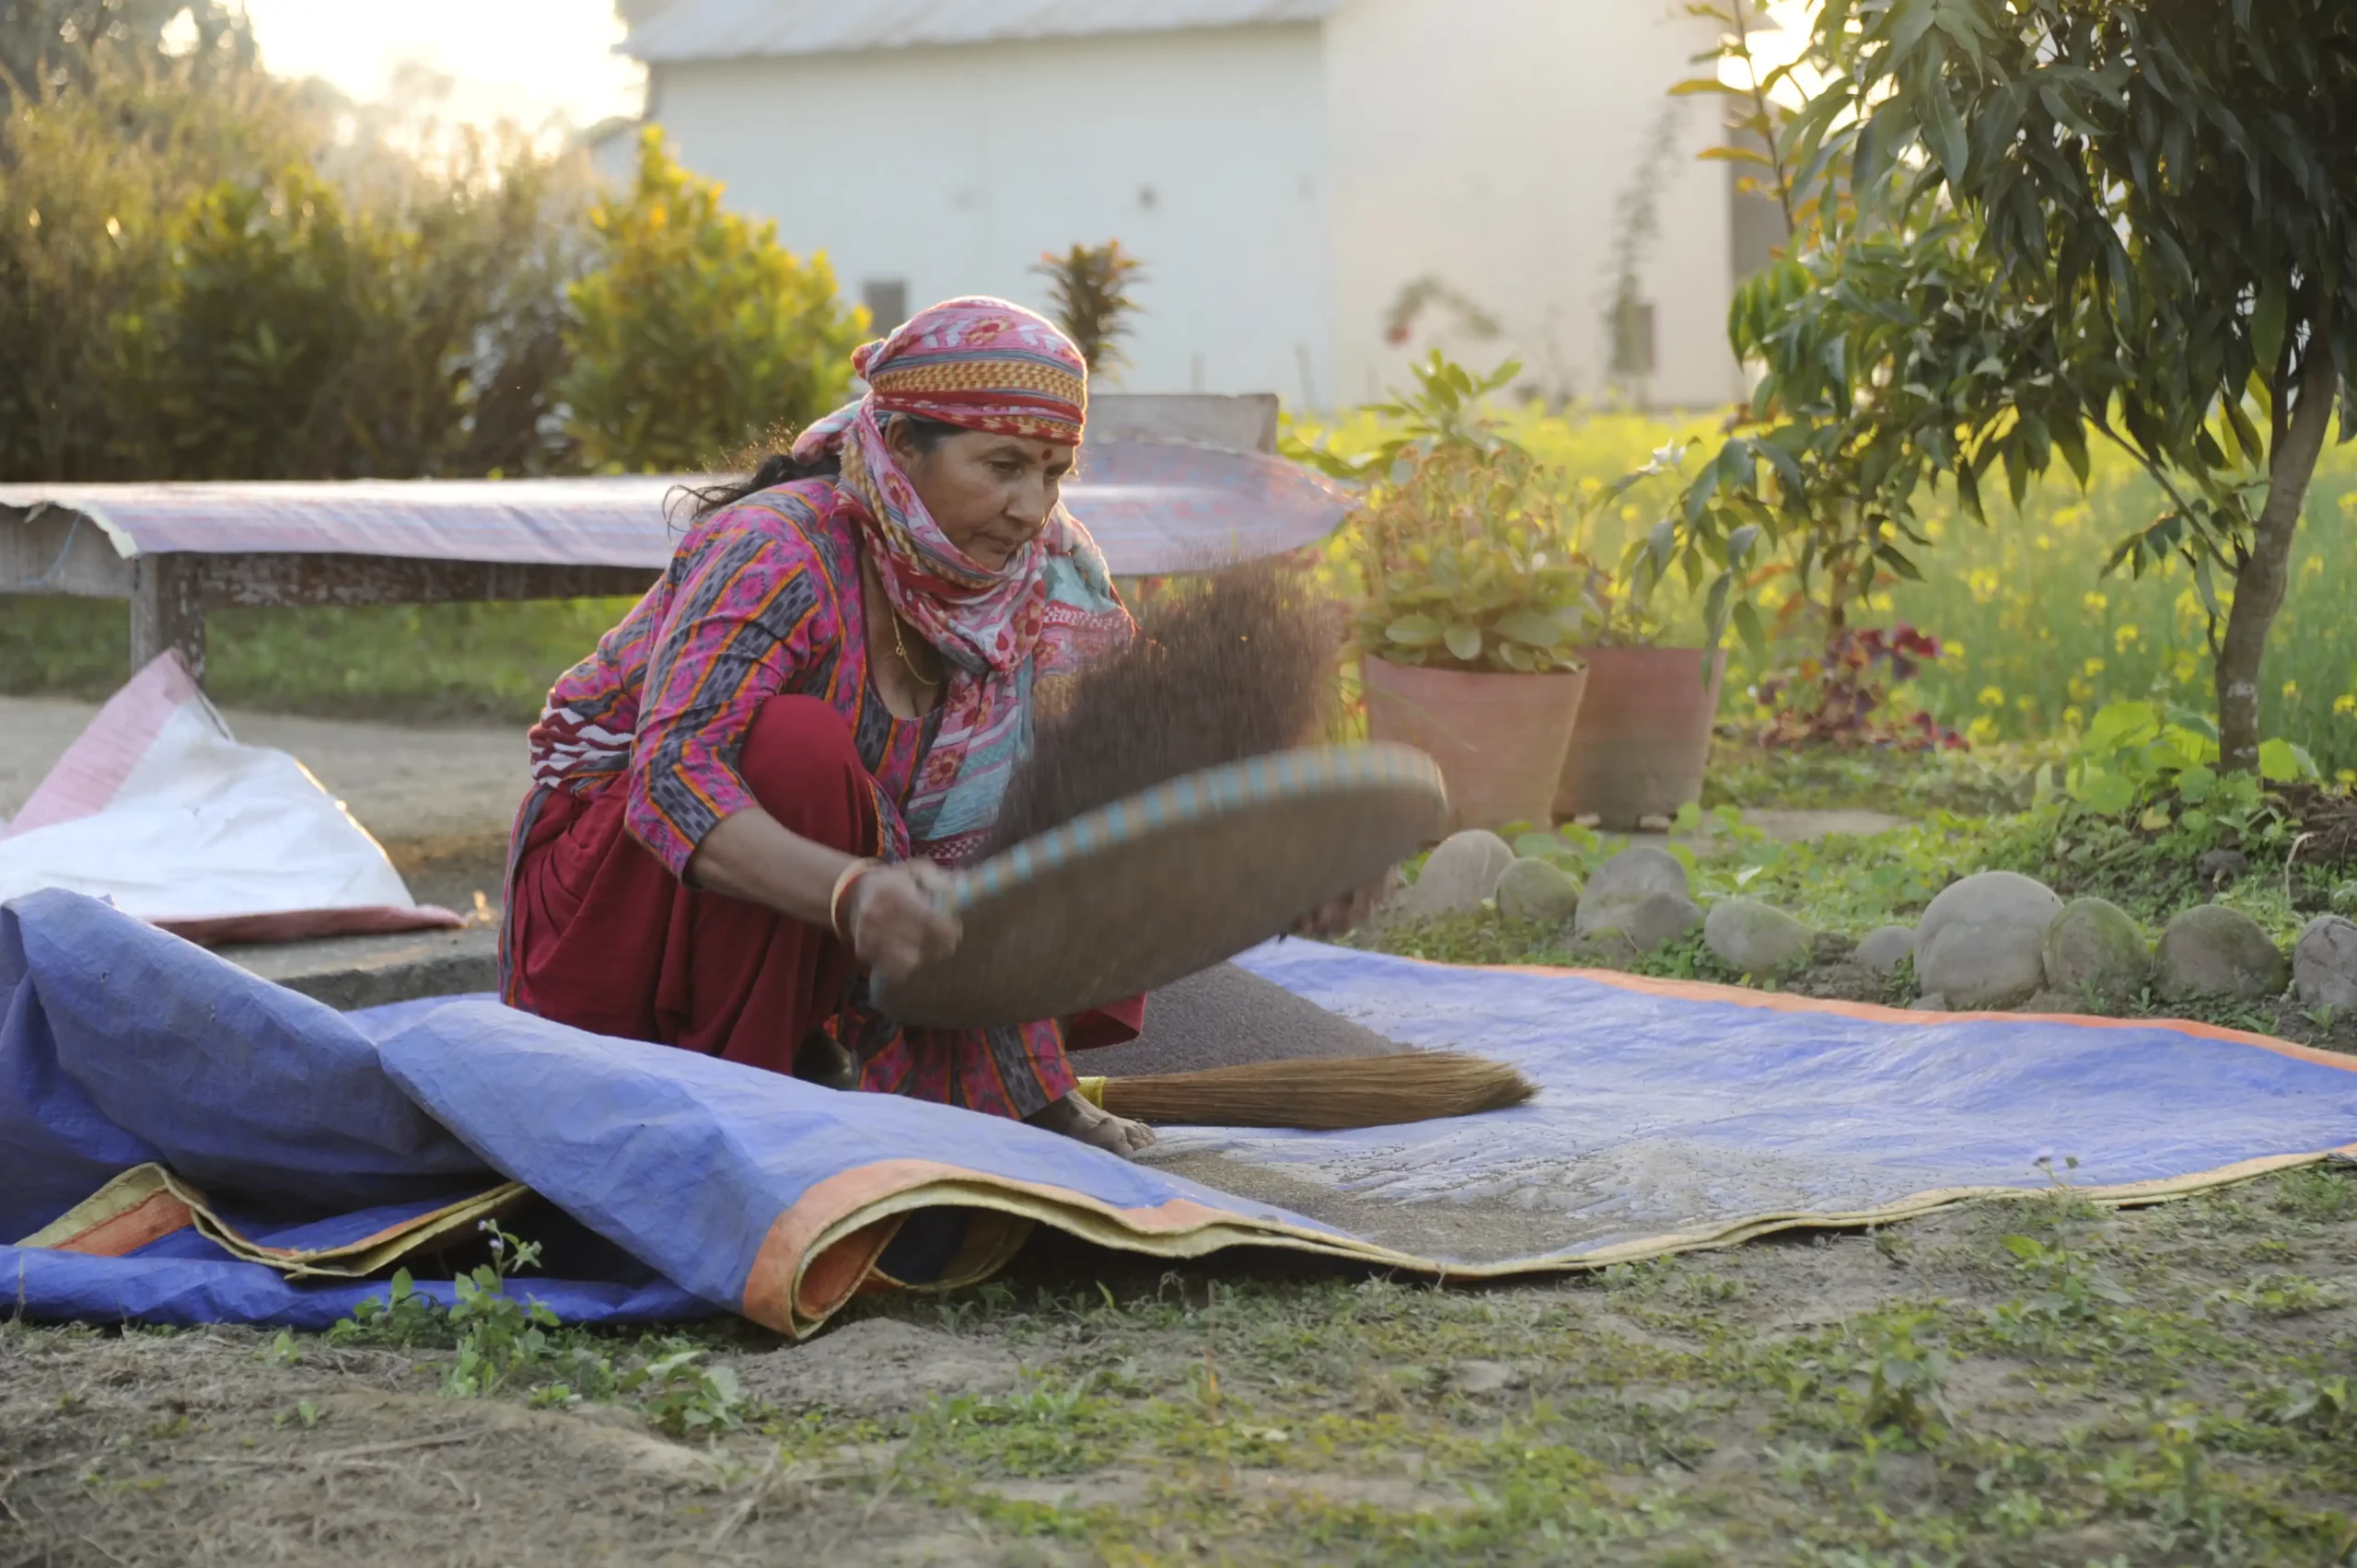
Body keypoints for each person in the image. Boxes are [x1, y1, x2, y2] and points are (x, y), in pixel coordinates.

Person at [497, 296, 1372, 1157]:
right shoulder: (774, 548)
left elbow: (1120, 782)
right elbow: (672, 779)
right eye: (1002, 465)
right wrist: (853, 891)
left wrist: (1279, 859)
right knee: (796, 751)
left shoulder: (1046, 582)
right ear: (902, 444)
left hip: (839, 923)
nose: (1032, 507)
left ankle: (961, 1080)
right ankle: (755, 1097)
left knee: (1054, 798)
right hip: (623, 912)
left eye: (1053, 470)